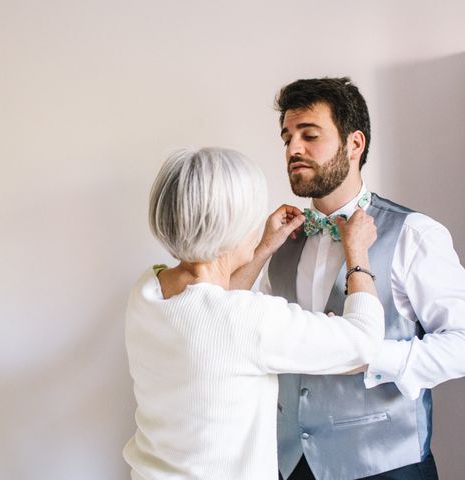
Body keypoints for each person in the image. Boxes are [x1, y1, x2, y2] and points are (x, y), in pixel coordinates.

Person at [238, 77, 465, 479]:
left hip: (387, 465)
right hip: (291, 463)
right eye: (287, 137)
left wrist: (368, 355)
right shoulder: (282, 239)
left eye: (309, 135)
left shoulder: (414, 233)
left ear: (354, 143)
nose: (293, 149)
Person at [123, 147, 385, 479]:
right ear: (230, 227)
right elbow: (365, 342)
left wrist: (262, 249)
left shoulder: (147, 289)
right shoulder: (247, 320)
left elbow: (210, 308)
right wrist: (357, 252)